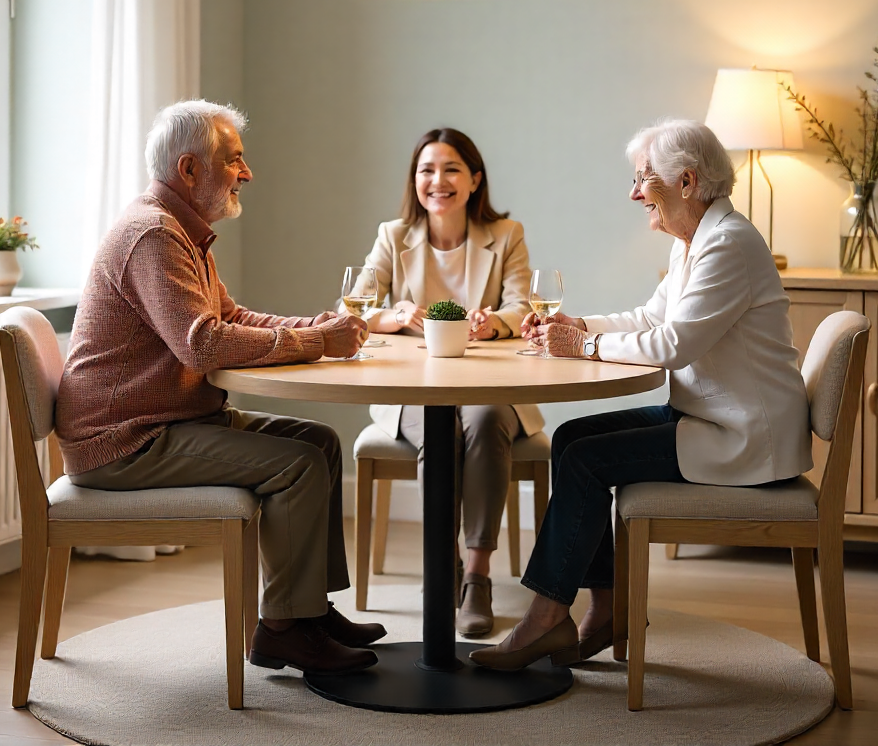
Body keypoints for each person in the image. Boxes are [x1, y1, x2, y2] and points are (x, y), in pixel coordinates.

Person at [470, 118, 812, 670]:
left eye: (643, 178)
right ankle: (604, 609)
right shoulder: (696, 240)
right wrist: (581, 325)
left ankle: (544, 619)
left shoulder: (728, 245)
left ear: (686, 181)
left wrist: (584, 347)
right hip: (710, 419)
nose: (633, 193)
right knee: (572, 438)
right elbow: (650, 317)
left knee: (584, 457)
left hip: (744, 439)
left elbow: (673, 343)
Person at [57, 100, 385, 674]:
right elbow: (203, 345)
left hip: (169, 422)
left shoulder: (179, 232)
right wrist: (314, 343)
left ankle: (306, 613)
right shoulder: (153, 237)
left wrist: (316, 329)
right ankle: (285, 631)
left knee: (321, 443)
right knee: (299, 464)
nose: (247, 173)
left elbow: (229, 317)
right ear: (189, 169)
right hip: (128, 442)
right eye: (235, 159)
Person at [351, 128, 543, 637]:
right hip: (411, 391)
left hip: (489, 387)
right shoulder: (393, 235)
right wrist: (393, 314)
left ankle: (476, 576)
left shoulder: (506, 235)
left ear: (476, 179)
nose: (438, 181)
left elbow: (523, 305)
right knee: (442, 431)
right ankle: (444, 567)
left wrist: (495, 322)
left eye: (452, 169)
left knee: (481, 418)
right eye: (427, 170)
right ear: (415, 180)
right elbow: (352, 308)